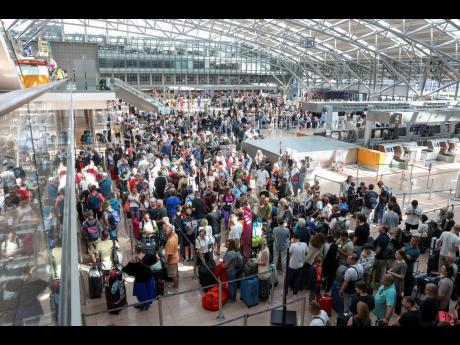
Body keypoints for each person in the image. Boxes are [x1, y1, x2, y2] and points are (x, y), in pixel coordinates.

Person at [122, 245, 157, 310]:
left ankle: (143, 305)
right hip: (149, 276)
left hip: (140, 279)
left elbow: (128, 268)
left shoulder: (134, 260)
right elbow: (156, 258)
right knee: (149, 291)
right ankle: (147, 304)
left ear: (136, 250)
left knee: (141, 293)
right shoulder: (148, 256)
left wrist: (121, 270)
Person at [387, 249, 407, 315]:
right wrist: (389, 271)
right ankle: (391, 308)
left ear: (401, 256)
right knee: (392, 295)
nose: (395, 254)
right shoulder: (396, 261)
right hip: (393, 280)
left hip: (398, 283)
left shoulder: (404, 265)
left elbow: (402, 276)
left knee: (398, 297)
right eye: (395, 253)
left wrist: (392, 273)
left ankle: (397, 311)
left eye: (397, 254)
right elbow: (393, 268)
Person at [164, 225, 179, 294]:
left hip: (172, 260)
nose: (164, 233)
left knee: (173, 274)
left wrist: (167, 263)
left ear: (170, 232)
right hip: (176, 257)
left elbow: (170, 255)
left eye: (166, 231)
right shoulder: (175, 235)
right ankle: (175, 284)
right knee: (176, 272)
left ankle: (175, 289)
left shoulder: (170, 241)